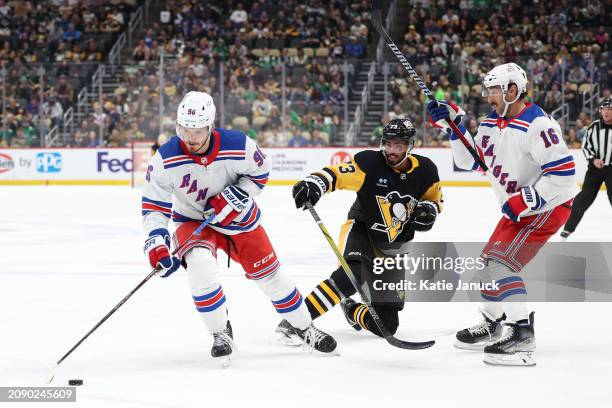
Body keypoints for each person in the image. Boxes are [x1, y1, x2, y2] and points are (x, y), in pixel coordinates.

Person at [142, 91, 336, 364]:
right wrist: (157, 243)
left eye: (198, 131)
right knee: (200, 267)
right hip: (194, 222)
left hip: (240, 220)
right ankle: (220, 332)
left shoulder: (238, 144)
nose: (191, 138)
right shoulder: (164, 158)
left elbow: (261, 172)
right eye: (185, 129)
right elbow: (154, 206)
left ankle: (304, 327)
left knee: (272, 278)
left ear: (210, 125)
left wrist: (237, 195)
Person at [427, 63, 578, 366]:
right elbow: (471, 163)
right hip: (521, 209)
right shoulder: (488, 124)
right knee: (487, 267)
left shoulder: (539, 126)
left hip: (546, 207)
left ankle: (522, 334)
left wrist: (526, 200)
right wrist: (453, 126)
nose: (489, 96)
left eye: (494, 90)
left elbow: (564, 174)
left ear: (513, 90)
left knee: (501, 265)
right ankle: (493, 323)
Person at [276, 119, 442, 341]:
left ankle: (351, 309)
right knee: (351, 276)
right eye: (388, 144)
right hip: (361, 230)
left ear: (410, 145)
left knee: (387, 324)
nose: (392, 151)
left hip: (393, 248)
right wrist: (315, 183)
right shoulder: (370, 163)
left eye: (399, 145)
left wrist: (428, 210)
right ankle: (295, 323)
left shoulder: (426, 171)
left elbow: (434, 200)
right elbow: (337, 175)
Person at [560, 97, 612, 239]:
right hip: (595, 169)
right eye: (604, 109)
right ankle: (569, 228)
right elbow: (586, 146)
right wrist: (594, 159)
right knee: (583, 199)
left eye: (610, 109)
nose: (606, 112)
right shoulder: (594, 126)